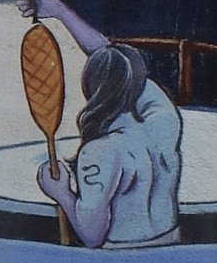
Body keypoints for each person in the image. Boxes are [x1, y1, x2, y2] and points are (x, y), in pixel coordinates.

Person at [36, 41, 184, 248]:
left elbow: (92, 236)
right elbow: (126, 72)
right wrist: (58, 11)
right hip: (171, 246)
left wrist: (62, 193)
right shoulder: (165, 121)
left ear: (89, 87)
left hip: (122, 258)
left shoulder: (99, 151)